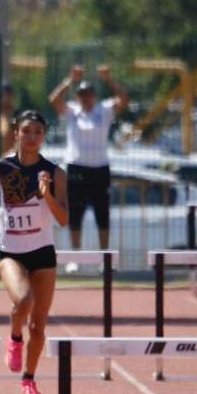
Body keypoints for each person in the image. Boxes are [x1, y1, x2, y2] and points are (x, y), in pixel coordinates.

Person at [0, 110, 70, 394]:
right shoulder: (1, 167)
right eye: (27, 131)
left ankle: (29, 379)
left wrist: (46, 194)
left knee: (39, 324)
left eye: (38, 132)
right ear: (16, 133)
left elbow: (63, 219)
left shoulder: (55, 172)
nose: (32, 137)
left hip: (42, 251)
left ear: (44, 136)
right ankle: (15, 338)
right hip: (10, 250)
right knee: (24, 301)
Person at [49, 64, 127, 269]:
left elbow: (124, 99)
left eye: (90, 94)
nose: (86, 98)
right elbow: (54, 99)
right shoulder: (73, 112)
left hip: (100, 168)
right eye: (82, 94)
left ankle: (104, 259)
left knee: (103, 213)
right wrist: (70, 79)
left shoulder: (105, 109)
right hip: (77, 168)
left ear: (95, 96)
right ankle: (75, 257)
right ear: (77, 97)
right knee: (75, 213)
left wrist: (109, 80)